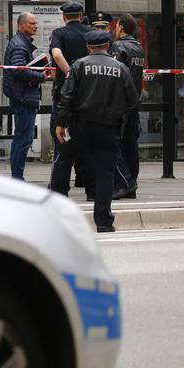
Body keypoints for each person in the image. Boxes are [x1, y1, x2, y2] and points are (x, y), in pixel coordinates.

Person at [50, 30, 138, 232]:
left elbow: (67, 96)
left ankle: (56, 213)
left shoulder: (79, 65)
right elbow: (133, 100)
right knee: (105, 173)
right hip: (108, 128)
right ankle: (104, 222)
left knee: (63, 163)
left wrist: (60, 123)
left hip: (79, 126)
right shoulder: (121, 68)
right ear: (107, 46)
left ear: (88, 47)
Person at [49, 1, 94, 199]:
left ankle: (59, 192)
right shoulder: (91, 33)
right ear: (81, 14)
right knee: (89, 143)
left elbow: (56, 54)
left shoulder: (60, 33)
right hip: (90, 94)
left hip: (66, 95)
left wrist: (69, 74)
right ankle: (91, 190)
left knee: (63, 143)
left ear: (65, 17)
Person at [3, 12, 53, 180]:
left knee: (22, 137)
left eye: (36, 23)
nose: (36, 26)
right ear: (21, 25)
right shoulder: (19, 45)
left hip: (23, 95)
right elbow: (19, 69)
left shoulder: (21, 43)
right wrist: (41, 76)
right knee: (23, 138)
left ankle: (17, 176)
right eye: (32, 23)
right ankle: (17, 178)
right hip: (23, 97)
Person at [111, 13, 145, 199]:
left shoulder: (119, 46)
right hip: (134, 102)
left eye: (116, 26)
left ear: (121, 27)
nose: (114, 29)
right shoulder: (138, 47)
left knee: (114, 143)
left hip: (121, 103)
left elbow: (116, 73)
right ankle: (132, 181)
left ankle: (125, 182)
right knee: (131, 144)